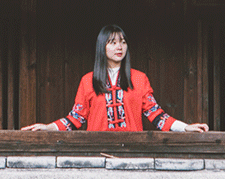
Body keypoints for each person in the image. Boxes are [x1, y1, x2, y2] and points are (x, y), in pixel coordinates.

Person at [21, 25, 209, 132]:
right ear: (102, 47)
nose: (119, 47)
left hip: (134, 150)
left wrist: (186, 128)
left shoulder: (139, 78)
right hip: (97, 151)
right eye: (113, 42)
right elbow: (75, 118)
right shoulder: (88, 80)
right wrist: (48, 128)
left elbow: (156, 114)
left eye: (123, 42)